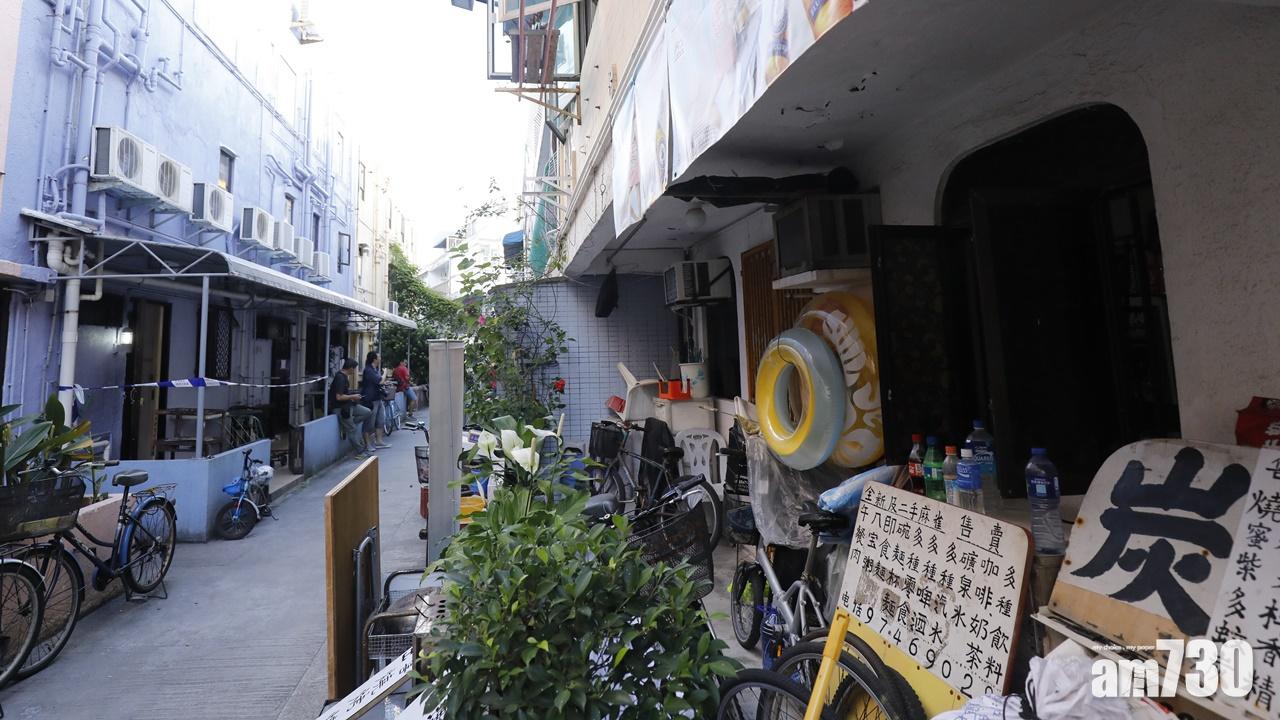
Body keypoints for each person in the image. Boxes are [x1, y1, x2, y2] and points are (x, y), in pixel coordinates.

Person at [330, 359, 372, 457]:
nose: (354, 371)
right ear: (350, 368)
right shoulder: (340, 378)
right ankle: (360, 452)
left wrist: (353, 396)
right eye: (354, 369)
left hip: (348, 405)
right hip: (341, 408)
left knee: (367, 412)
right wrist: (352, 396)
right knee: (352, 429)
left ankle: (347, 425)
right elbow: (339, 397)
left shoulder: (344, 377)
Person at [361, 351, 391, 450]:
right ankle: (368, 444)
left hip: (378, 397)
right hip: (371, 400)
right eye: (379, 357)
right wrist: (385, 372)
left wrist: (384, 382)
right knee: (369, 423)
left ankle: (379, 441)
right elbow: (380, 381)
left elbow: (378, 382)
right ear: (374, 359)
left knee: (380, 420)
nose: (380, 358)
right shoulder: (369, 370)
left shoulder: (375, 369)